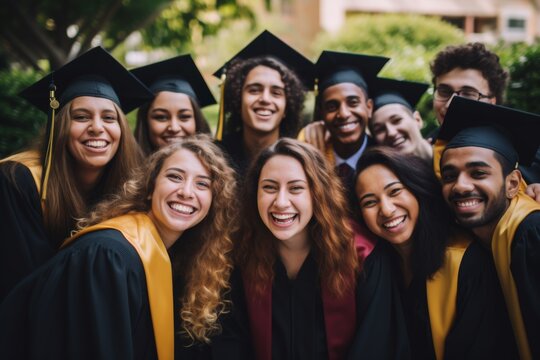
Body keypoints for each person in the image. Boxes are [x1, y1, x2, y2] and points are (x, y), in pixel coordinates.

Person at [0, 135, 239, 360]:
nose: (186, 192)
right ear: (150, 186)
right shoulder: (109, 255)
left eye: (202, 184)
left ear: (214, 201)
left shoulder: (175, 258)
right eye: (175, 177)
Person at [233, 138, 409, 360]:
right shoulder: (243, 255)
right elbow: (234, 341)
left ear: (318, 193)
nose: (281, 202)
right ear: (254, 193)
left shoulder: (362, 254)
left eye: (296, 188)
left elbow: (377, 344)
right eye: (269, 187)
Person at [0, 46, 152, 301]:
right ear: (60, 127)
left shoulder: (131, 185)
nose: (97, 128)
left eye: (108, 118)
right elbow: (21, 279)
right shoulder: (18, 180)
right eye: (81, 117)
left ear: (122, 130)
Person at [355, 146, 517, 360]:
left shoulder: (466, 262)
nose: (386, 209)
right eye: (370, 202)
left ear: (417, 189)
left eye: (395, 191)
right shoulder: (375, 267)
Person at [438, 96, 540, 360]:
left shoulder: (531, 233)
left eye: (478, 173)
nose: (460, 185)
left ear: (512, 183)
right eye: (449, 176)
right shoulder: (479, 247)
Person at [430, 42, 540, 194]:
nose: (450, 104)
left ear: (492, 101)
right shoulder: (423, 155)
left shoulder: (532, 160)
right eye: (444, 91)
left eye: (468, 93)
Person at [214, 30, 314, 175]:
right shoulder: (216, 159)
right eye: (254, 90)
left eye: (276, 92)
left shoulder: (301, 159)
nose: (265, 99)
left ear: (287, 106)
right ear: (238, 99)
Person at [297, 50, 389, 198]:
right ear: (321, 113)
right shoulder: (310, 156)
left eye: (353, 102)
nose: (344, 114)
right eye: (332, 106)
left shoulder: (386, 158)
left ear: (369, 107)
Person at [132, 54, 214, 155]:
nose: (174, 128)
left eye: (184, 116)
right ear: (145, 121)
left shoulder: (217, 169)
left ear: (197, 120)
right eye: (161, 117)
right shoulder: (127, 170)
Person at [369, 78, 432, 161]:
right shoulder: (383, 173)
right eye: (380, 129)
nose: (391, 133)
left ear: (417, 120)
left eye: (396, 121)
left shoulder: (449, 154)